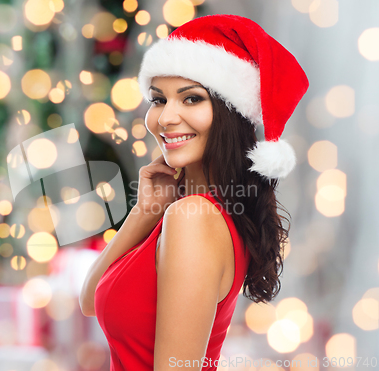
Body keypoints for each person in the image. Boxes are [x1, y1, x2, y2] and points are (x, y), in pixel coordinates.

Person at [79, 14, 309, 371]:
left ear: (230, 112)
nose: (166, 118)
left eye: (191, 99)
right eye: (158, 99)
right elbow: (90, 301)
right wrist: (145, 212)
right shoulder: (184, 211)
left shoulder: (195, 218)